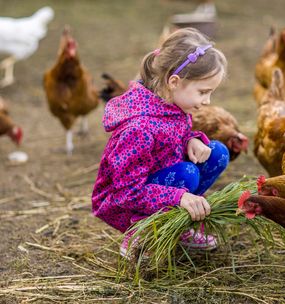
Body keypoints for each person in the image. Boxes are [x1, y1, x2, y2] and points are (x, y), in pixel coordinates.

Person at [91, 28, 228, 256]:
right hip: (125, 201)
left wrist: (191, 140)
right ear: (174, 81)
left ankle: (175, 223)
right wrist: (179, 196)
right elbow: (127, 192)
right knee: (188, 174)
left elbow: (174, 137)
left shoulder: (173, 105)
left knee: (217, 153)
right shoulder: (139, 129)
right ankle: (140, 231)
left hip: (161, 180)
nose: (207, 101)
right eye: (203, 92)